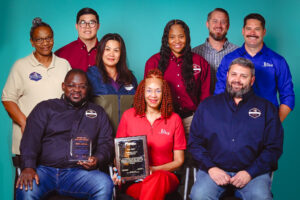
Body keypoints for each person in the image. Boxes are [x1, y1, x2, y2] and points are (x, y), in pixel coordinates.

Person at [189, 58, 283, 200]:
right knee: (199, 195)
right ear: (227, 76)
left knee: (261, 197)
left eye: (243, 76)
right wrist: (211, 168)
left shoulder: (267, 109)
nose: (237, 80)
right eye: (234, 74)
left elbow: (274, 148)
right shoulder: (207, 106)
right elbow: (194, 143)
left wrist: (250, 172)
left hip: (253, 174)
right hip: (213, 172)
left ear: (252, 80)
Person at [16, 69, 114, 200]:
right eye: (71, 85)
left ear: (88, 88)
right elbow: (30, 139)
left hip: (78, 173)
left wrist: (97, 159)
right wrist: (28, 166)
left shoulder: (98, 113)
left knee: (104, 183)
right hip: (44, 171)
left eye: (82, 86)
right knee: (26, 188)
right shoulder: (45, 108)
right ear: (63, 86)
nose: (77, 90)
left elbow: (106, 143)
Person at [2, 17, 70, 160]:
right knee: (26, 180)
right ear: (32, 42)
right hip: (29, 141)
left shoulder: (64, 64)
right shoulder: (21, 66)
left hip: (57, 142)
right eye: (39, 40)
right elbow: (8, 98)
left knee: (55, 181)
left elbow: (71, 98)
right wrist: (24, 123)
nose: (45, 43)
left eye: (49, 38)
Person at [114, 69, 186, 200]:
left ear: (164, 93)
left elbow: (179, 161)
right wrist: (118, 171)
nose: (153, 95)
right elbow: (119, 155)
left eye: (158, 90)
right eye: (149, 90)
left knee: (158, 178)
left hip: (166, 178)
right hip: (135, 181)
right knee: (150, 187)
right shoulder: (128, 116)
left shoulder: (174, 119)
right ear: (142, 92)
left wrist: (154, 170)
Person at [214, 13, 295, 122]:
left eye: (257, 29)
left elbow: (288, 96)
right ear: (243, 31)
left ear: (264, 32)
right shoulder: (229, 59)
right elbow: (220, 93)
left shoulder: (278, 61)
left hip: (266, 121)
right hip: (235, 121)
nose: (252, 33)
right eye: (249, 29)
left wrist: (275, 123)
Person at [145, 19, 210, 134]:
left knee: (193, 152)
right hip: (163, 121)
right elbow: (148, 95)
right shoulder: (153, 62)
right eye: (172, 37)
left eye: (181, 36)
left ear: (187, 38)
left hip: (192, 121)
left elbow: (205, 97)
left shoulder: (200, 63)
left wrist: (200, 120)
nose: (177, 41)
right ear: (166, 39)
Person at [87, 33, 137, 134]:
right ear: (101, 51)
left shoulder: (130, 78)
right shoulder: (91, 75)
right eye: (107, 49)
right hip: (101, 138)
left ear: (121, 54)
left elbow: (138, 109)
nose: (111, 54)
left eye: (116, 50)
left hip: (127, 137)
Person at [192, 8, 238, 94]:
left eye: (223, 22)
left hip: (229, 105)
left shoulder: (238, 53)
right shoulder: (194, 53)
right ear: (207, 24)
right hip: (202, 105)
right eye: (215, 21)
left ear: (228, 26)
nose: (219, 25)